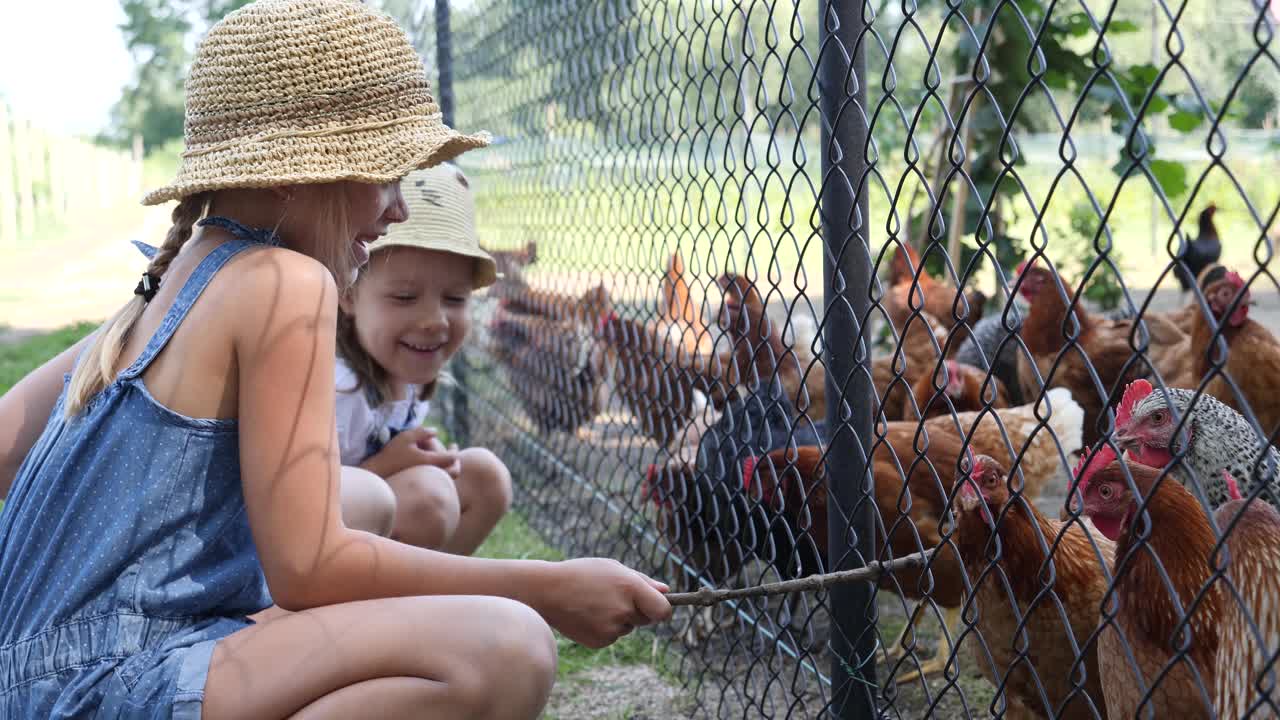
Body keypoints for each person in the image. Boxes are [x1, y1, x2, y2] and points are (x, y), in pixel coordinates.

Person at [0, 2, 671, 718]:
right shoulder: (285, 283)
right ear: (299, 172)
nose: (397, 212)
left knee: (370, 502)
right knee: (507, 645)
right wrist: (548, 585)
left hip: (39, 676)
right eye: (386, 176)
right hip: (100, 688)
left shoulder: (170, 280)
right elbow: (312, 568)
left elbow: (7, 439)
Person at [335, 162, 511, 555]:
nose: (434, 321)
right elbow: (298, 508)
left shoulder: (407, 370)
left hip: (364, 524)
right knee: (428, 499)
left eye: (455, 299)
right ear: (347, 294)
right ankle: (392, 609)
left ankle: (437, 592)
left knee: (486, 476)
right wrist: (389, 465)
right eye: (404, 298)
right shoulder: (338, 388)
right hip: (307, 553)